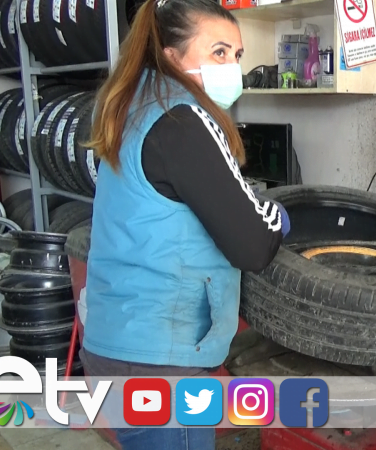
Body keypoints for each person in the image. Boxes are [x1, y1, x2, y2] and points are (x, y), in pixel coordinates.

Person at [80, 0, 289, 447]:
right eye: (218, 52)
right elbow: (253, 244)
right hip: (162, 364)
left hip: (114, 345)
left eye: (236, 55)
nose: (232, 68)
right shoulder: (183, 119)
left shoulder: (131, 105)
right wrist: (280, 217)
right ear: (171, 55)